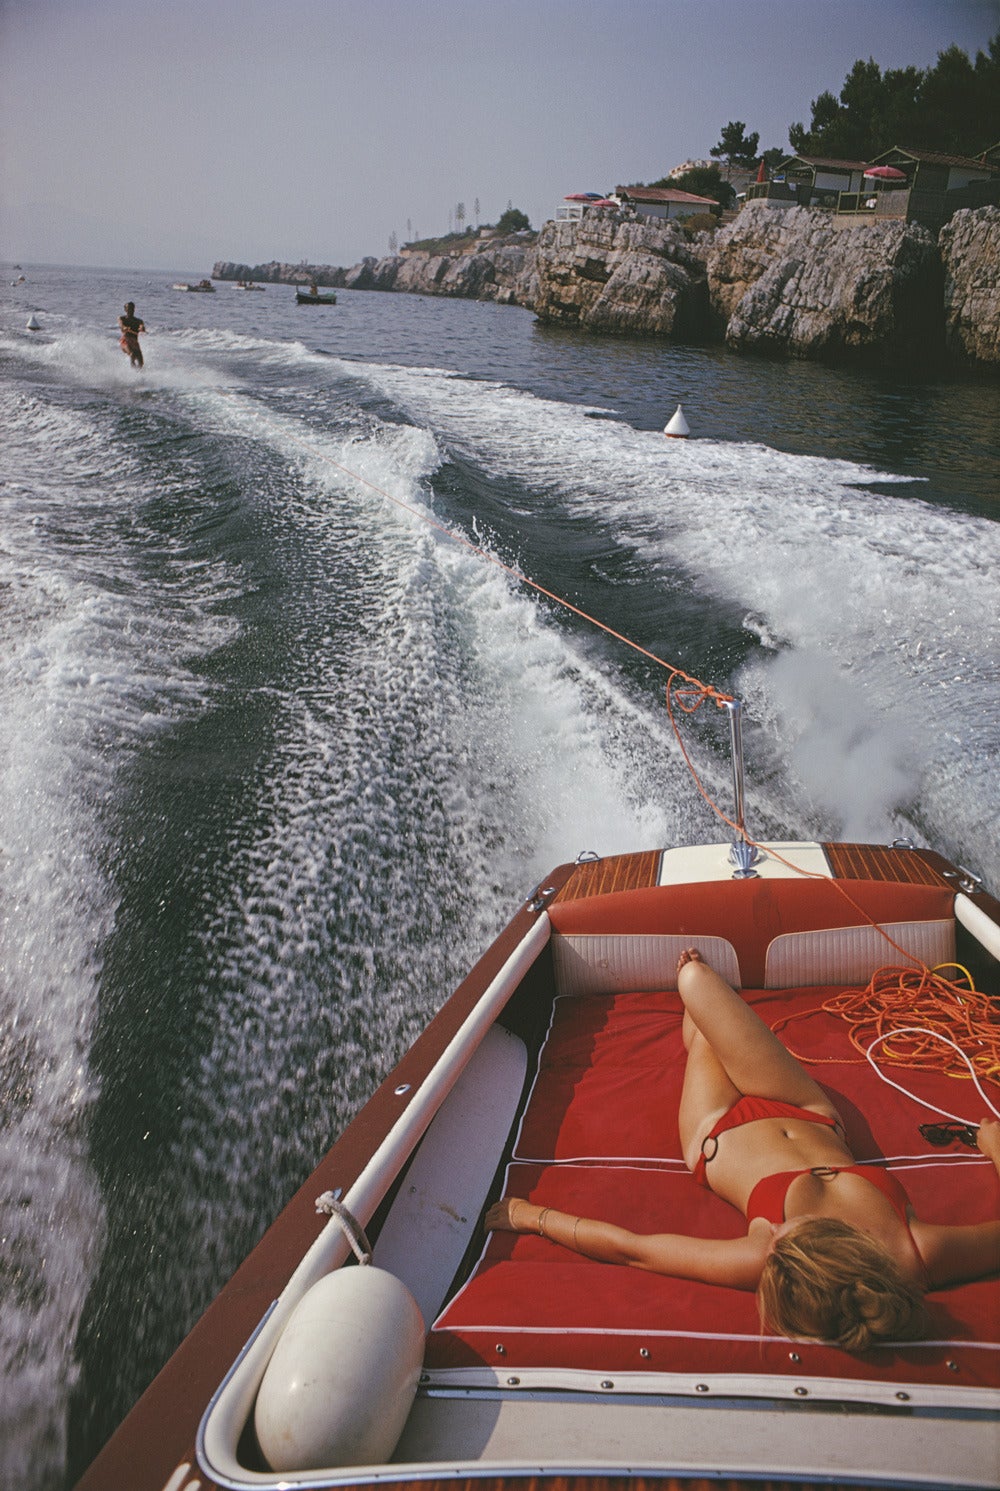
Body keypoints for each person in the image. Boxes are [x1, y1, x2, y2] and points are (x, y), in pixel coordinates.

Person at [486, 948, 1000, 1354]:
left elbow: (633, 1249)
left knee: (696, 993)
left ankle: (698, 1028)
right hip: (805, 1108)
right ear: (833, 1251)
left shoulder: (763, 1256)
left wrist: (532, 1216)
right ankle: (704, 1015)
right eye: (783, 1237)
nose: (772, 1232)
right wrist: (994, 1143)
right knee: (697, 981)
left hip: (717, 1130)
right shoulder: (917, 1253)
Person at [118, 302, 145, 368]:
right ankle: (132, 373)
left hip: (134, 343)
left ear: (134, 309)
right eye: (128, 308)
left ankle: (140, 374)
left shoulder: (139, 321)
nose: (130, 310)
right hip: (125, 341)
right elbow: (121, 325)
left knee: (141, 361)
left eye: (132, 308)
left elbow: (142, 326)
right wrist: (124, 328)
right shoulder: (122, 318)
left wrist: (142, 328)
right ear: (125, 310)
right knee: (132, 354)